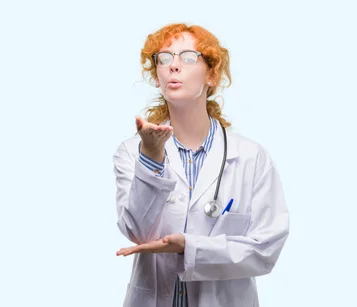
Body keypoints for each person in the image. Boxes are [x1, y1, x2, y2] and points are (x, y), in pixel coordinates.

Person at [112, 23, 290, 307]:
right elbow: (136, 231)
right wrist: (151, 157)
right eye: (165, 58)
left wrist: (191, 248)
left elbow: (265, 249)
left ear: (212, 74)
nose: (174, 66)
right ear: (156, 76)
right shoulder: (133, 152)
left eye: (188, 57)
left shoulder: (251, 157)